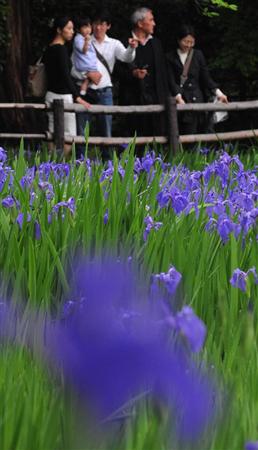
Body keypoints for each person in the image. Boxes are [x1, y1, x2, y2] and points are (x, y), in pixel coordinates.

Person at [76, 9, 138, 139]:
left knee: (106, 131)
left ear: (108, 26)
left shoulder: (114, 44)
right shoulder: (83, 41)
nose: (98, 27)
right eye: (96, 23)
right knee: (81, 130)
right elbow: (73, 66)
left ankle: (107, 159)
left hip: (105, 91)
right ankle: (81, 159)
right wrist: (87, 75)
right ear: (91, 24)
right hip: (85, 90)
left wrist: (131, 47)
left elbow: (126, 58)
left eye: (102, 24)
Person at [116, 7, 169, 138]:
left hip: (156, 100)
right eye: (151, 20)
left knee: (157, 138)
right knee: (134, 137)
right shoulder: (123, 43)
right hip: (132, 99)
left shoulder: (156, 43)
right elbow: (117, 70)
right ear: (140, 23)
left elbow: (162, 74)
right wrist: (133, 74)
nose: (154, 23)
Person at [166, 24, 228, 135]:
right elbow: (170, 80)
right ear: (178, 40)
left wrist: (219, 93)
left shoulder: (198, 55)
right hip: (181, 99)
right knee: (184, 132)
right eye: (185, 41)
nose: (188, 45)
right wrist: (178, 97)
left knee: (202, 132)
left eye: (191, 42)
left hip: (198, 98)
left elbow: (206, 78)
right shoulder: (170, 57)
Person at [43, 16, 90, 155]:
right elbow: (65, 76)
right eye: (68, 28)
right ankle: (60, 168)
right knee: (69, 137)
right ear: (59, 30)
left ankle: (51, 167)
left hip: (50, 95)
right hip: (63, 97)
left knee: (52, 133)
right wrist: (77, 96)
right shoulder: (61, 50)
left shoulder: (48, 48)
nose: (72, 32)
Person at [71, 17, 102, 96]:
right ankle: (84, 85)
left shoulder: (86, 38)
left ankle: (84, 86)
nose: (88, 29)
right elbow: (84, 51)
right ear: (78, 29)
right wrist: (86, 41)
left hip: (88, 64)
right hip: (84, 64)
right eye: (85, 27)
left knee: (97, 76)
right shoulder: (78, 38)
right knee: (97, 76)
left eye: (89, 27)